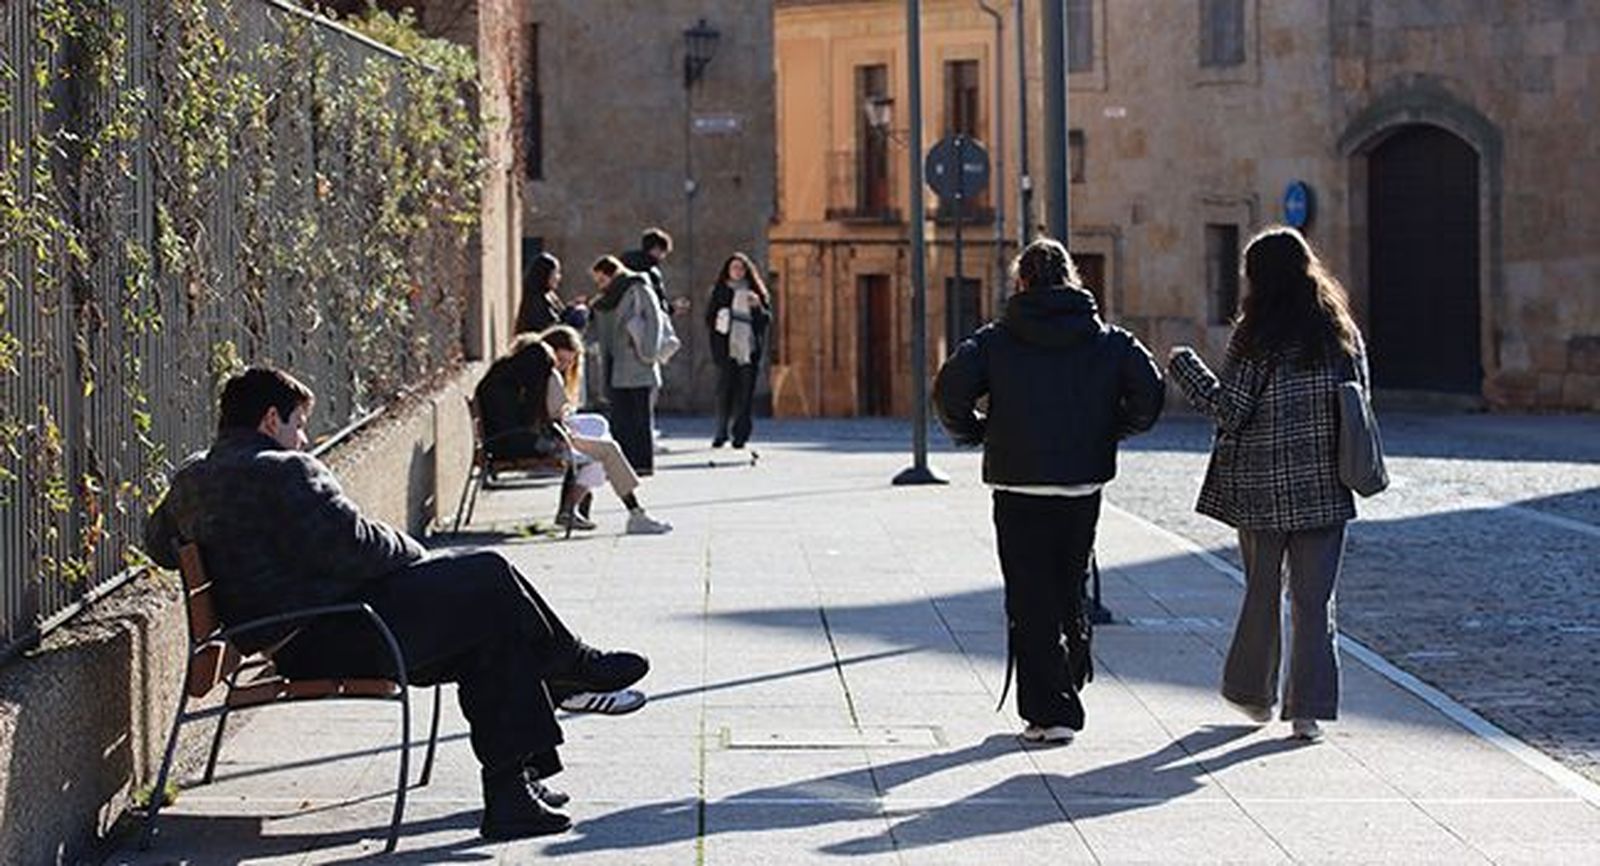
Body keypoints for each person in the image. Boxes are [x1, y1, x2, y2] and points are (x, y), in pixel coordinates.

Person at [143, 367, 651, 840]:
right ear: (270, 419)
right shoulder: (285, 471)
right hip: (337, 634)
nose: (304, 438)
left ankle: (513, 793)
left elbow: (160, 546)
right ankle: (569, 667)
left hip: (296, 637)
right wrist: (415, 551)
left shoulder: (192, 479)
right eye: (298, 424)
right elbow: (360, 546)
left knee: (492, 631)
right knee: (489, 575)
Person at [934, 237, 1164, 744]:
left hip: (1018, 484)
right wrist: (1111, 428)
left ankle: (1050, 709)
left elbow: (949, 390)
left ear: (1022, 282)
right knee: (1069, 585)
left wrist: (977, 431)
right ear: (1072, 279)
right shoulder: (1110, 340)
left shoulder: (994, 340)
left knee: (1028, 593)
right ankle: (1066, 687)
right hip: (1081, 485)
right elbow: (1150, 393)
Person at [1166, 226, 1368, 743]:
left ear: (1257, 277)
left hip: (1261, 488)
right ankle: (1309, 712)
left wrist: (1186, 368)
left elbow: (1230, 410)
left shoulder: (1254, 335)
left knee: (1261, 592)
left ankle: (1253, 695)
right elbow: (1361, 403)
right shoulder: (1339, 331)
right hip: (1325, 485)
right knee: (1314, 601)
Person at [536, 325, 672, 535]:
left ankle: (570, 509)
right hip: (550, 437)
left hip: (552, 432)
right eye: (562, 360)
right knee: (607, 451)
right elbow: (553, 413)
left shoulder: (541, 371)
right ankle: (635, 513)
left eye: (569, 362)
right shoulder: (546, 372)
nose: (564, 367)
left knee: (600, 429)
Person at [587, 255, 663, 475]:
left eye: (602, 280)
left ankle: (642, 464)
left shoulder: (636, 288)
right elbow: (594, 331)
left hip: (636, 361)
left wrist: (648, 352)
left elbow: (654, 319)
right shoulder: (602, 301)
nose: (599, 285)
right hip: (612, 363)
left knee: (639, 417)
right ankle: (622, 465)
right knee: (620, 418)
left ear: (613, 274)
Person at [704, 252, 771, 449]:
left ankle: (740, 434)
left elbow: (766, 321)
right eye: (734, 268)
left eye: (741, 268)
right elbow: (709, 319)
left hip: (748, 349)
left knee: (746, 393)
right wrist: (722, 317)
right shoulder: (719, 291)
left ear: (747, 271)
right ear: (727, 270)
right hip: (725, 349)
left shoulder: (756, 292)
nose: (737, 271)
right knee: (724, 391)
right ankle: (721, 431)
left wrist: (758, 307)